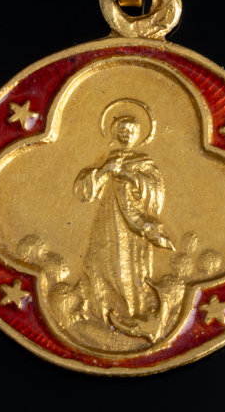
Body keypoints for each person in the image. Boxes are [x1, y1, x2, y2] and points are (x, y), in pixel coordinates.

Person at [74, 115, 174, 334]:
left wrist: (128, 175)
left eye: (132, 130)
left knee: (130, 264)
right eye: (123, 130)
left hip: (133, 226)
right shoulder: (109, 160)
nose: (128, 134)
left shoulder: (144, 161)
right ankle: (103, 309)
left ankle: (136, 312)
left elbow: (155, 191)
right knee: (103, 259)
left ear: (138, 134)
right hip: (107, 221)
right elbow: (85, 191)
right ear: (115, 133)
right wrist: (105, 170)